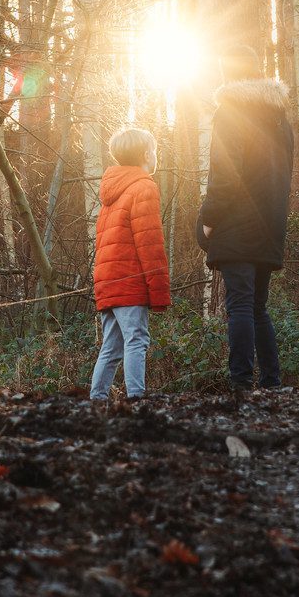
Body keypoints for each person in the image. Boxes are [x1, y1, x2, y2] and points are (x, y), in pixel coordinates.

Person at [196, 47, 294, 394]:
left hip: (237, 225)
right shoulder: (280, 118)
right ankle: (271, 382)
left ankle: (240, 382)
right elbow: (284, 177)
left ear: (227, 74)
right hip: (270, 225)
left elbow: (225, 174)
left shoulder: (230, 112)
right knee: (257, 307)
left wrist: (208, 220)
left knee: (238, 303)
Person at [90, 126, 170, 402]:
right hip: (129, 281)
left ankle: (97, 399)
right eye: (155, 150)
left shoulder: (110, 193)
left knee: (112, 347)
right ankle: (136, 397)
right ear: (147, 154)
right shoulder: (143, 187)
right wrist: (158, 289)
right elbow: (149, 244)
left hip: (108, 281)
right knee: (137, 340)